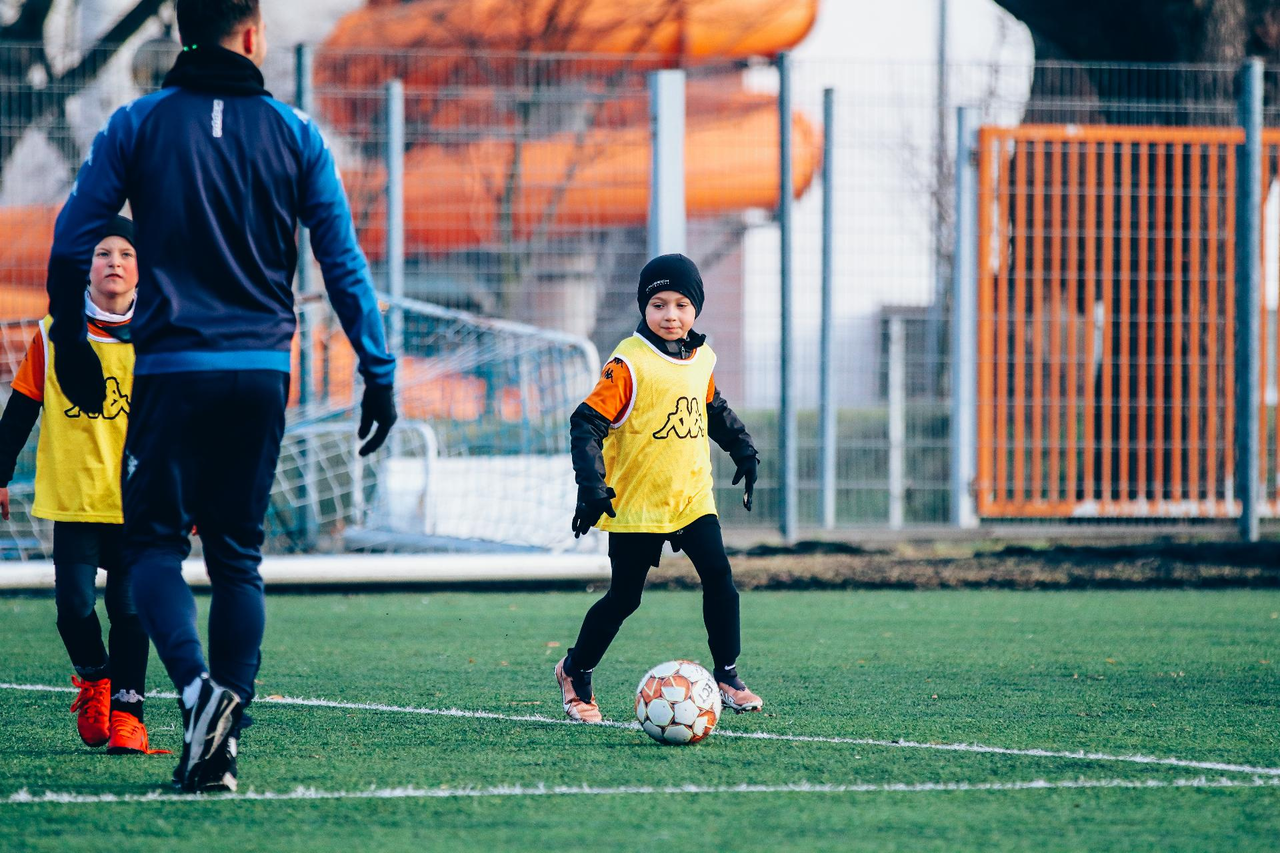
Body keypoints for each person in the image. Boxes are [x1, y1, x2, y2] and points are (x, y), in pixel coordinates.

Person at [43, 0, 397, 792]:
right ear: (254, 33)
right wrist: (378, 370)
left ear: (181, 30)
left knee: (151, 548)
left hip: (171, 372)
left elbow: (71, 238)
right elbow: (341, 262)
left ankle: (198, 691)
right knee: (238, 556)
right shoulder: (297, 133)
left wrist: (69, 338)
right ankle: (219, 744)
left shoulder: (137, 124)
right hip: (260, 371)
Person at [555, 253, 764, 723]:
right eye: (659, 304)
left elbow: (711, 408)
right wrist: (591, 485)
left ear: (696, 309)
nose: (671, 315)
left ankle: (728, 676)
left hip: (691, 497)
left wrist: (744, 449)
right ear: (644, 307)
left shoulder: (702, 357)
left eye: (682, 304)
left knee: (720, 578)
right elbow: (586, 422)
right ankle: (574, 670)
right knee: (625, 598)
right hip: (637, 503)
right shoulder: (628, 362)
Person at [0, 216, 166, 755]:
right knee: (73, 608)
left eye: (126, 253)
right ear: (85, 268)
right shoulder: (54, 334)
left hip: (140, 502)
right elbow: (21, 410)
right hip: (75, 500)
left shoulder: (162, 335)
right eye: (102, 253)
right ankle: (95, 679)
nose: (114, 262)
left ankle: (129, 717)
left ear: (141, 269)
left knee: (130, 610)